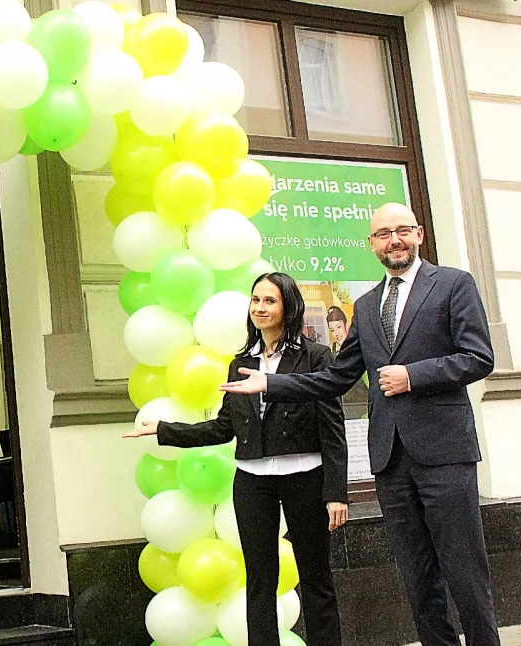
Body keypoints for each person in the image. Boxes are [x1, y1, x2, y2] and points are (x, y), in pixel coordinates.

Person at [221, 203, 500, 646]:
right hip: (390, 459)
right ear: (372, 245)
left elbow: (479, 356)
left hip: (444, 454)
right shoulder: (367, 306)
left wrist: (413, 375)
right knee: (417, 577)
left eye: (402, 231)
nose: (394, 241)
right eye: (383, 234)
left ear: (420, 234)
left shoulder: (452, 285)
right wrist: (271, 384)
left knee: (464, 572)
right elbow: (336, 377)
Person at [124, 272, 348, 646]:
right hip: (252, 482)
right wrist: (164, 429)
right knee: (259, 578)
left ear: (288, 306)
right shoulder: (240, 361)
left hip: (305, 477)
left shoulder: (315, 357)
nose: (260, 308)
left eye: (270, 301)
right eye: (256, 300)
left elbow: (333, 429)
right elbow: (223, 428)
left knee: (316, 578)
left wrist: (336, 492)